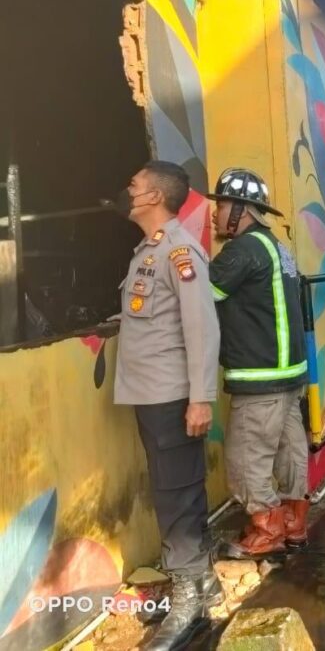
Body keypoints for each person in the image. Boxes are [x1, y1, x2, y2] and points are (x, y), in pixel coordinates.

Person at [111, 161, 222, 651]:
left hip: (171, 395)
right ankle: (204, 583)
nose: (127, 191)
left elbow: (203, 327)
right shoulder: (149, 252)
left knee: (174, 495)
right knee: (178, 489)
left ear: (153, 196)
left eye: (133, 185)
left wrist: (200, 397)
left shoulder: (179, 253)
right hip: (152, 392)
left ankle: (186, 601)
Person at [206, 169, 310, 559]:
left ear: (242, 210)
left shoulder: (242, 251)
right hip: (288, 374)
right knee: (289, 450)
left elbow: (200, 294)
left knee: (246, 457)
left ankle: (267, 530)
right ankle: (294, 522)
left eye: (221, 205)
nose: (216, 214)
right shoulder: (277, 247)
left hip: (260, 375)